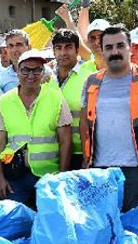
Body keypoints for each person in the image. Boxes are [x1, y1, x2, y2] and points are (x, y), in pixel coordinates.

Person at [81, 25, 138, 212]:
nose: (115, 52)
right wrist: (86, 162)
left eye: (120, 46)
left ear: (130, 47)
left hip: (137, 170)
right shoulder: (91, 82)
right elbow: (85, 124)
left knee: (136, 228)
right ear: (102, 51)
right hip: (100, 170)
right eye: (109, 47)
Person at [0, 50, 72, 206]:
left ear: (43, 72)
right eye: (26, 69)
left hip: (48, 176)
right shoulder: (4, 102)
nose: (31, 75)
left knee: (48, 223)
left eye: (37, 70)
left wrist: (62, 177)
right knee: (15, 223)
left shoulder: (55, 98)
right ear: (17, 72)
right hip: (15, 176)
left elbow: (65, 141)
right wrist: (0, 178)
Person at [46, 29, 91, 170]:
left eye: (68, 47)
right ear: (53, 51)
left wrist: (87, 156)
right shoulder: (45, 78)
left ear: (77, 50)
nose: (63, 53)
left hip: (81, 154)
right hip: (52, 152)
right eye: (58, 48)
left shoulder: (88, 77)